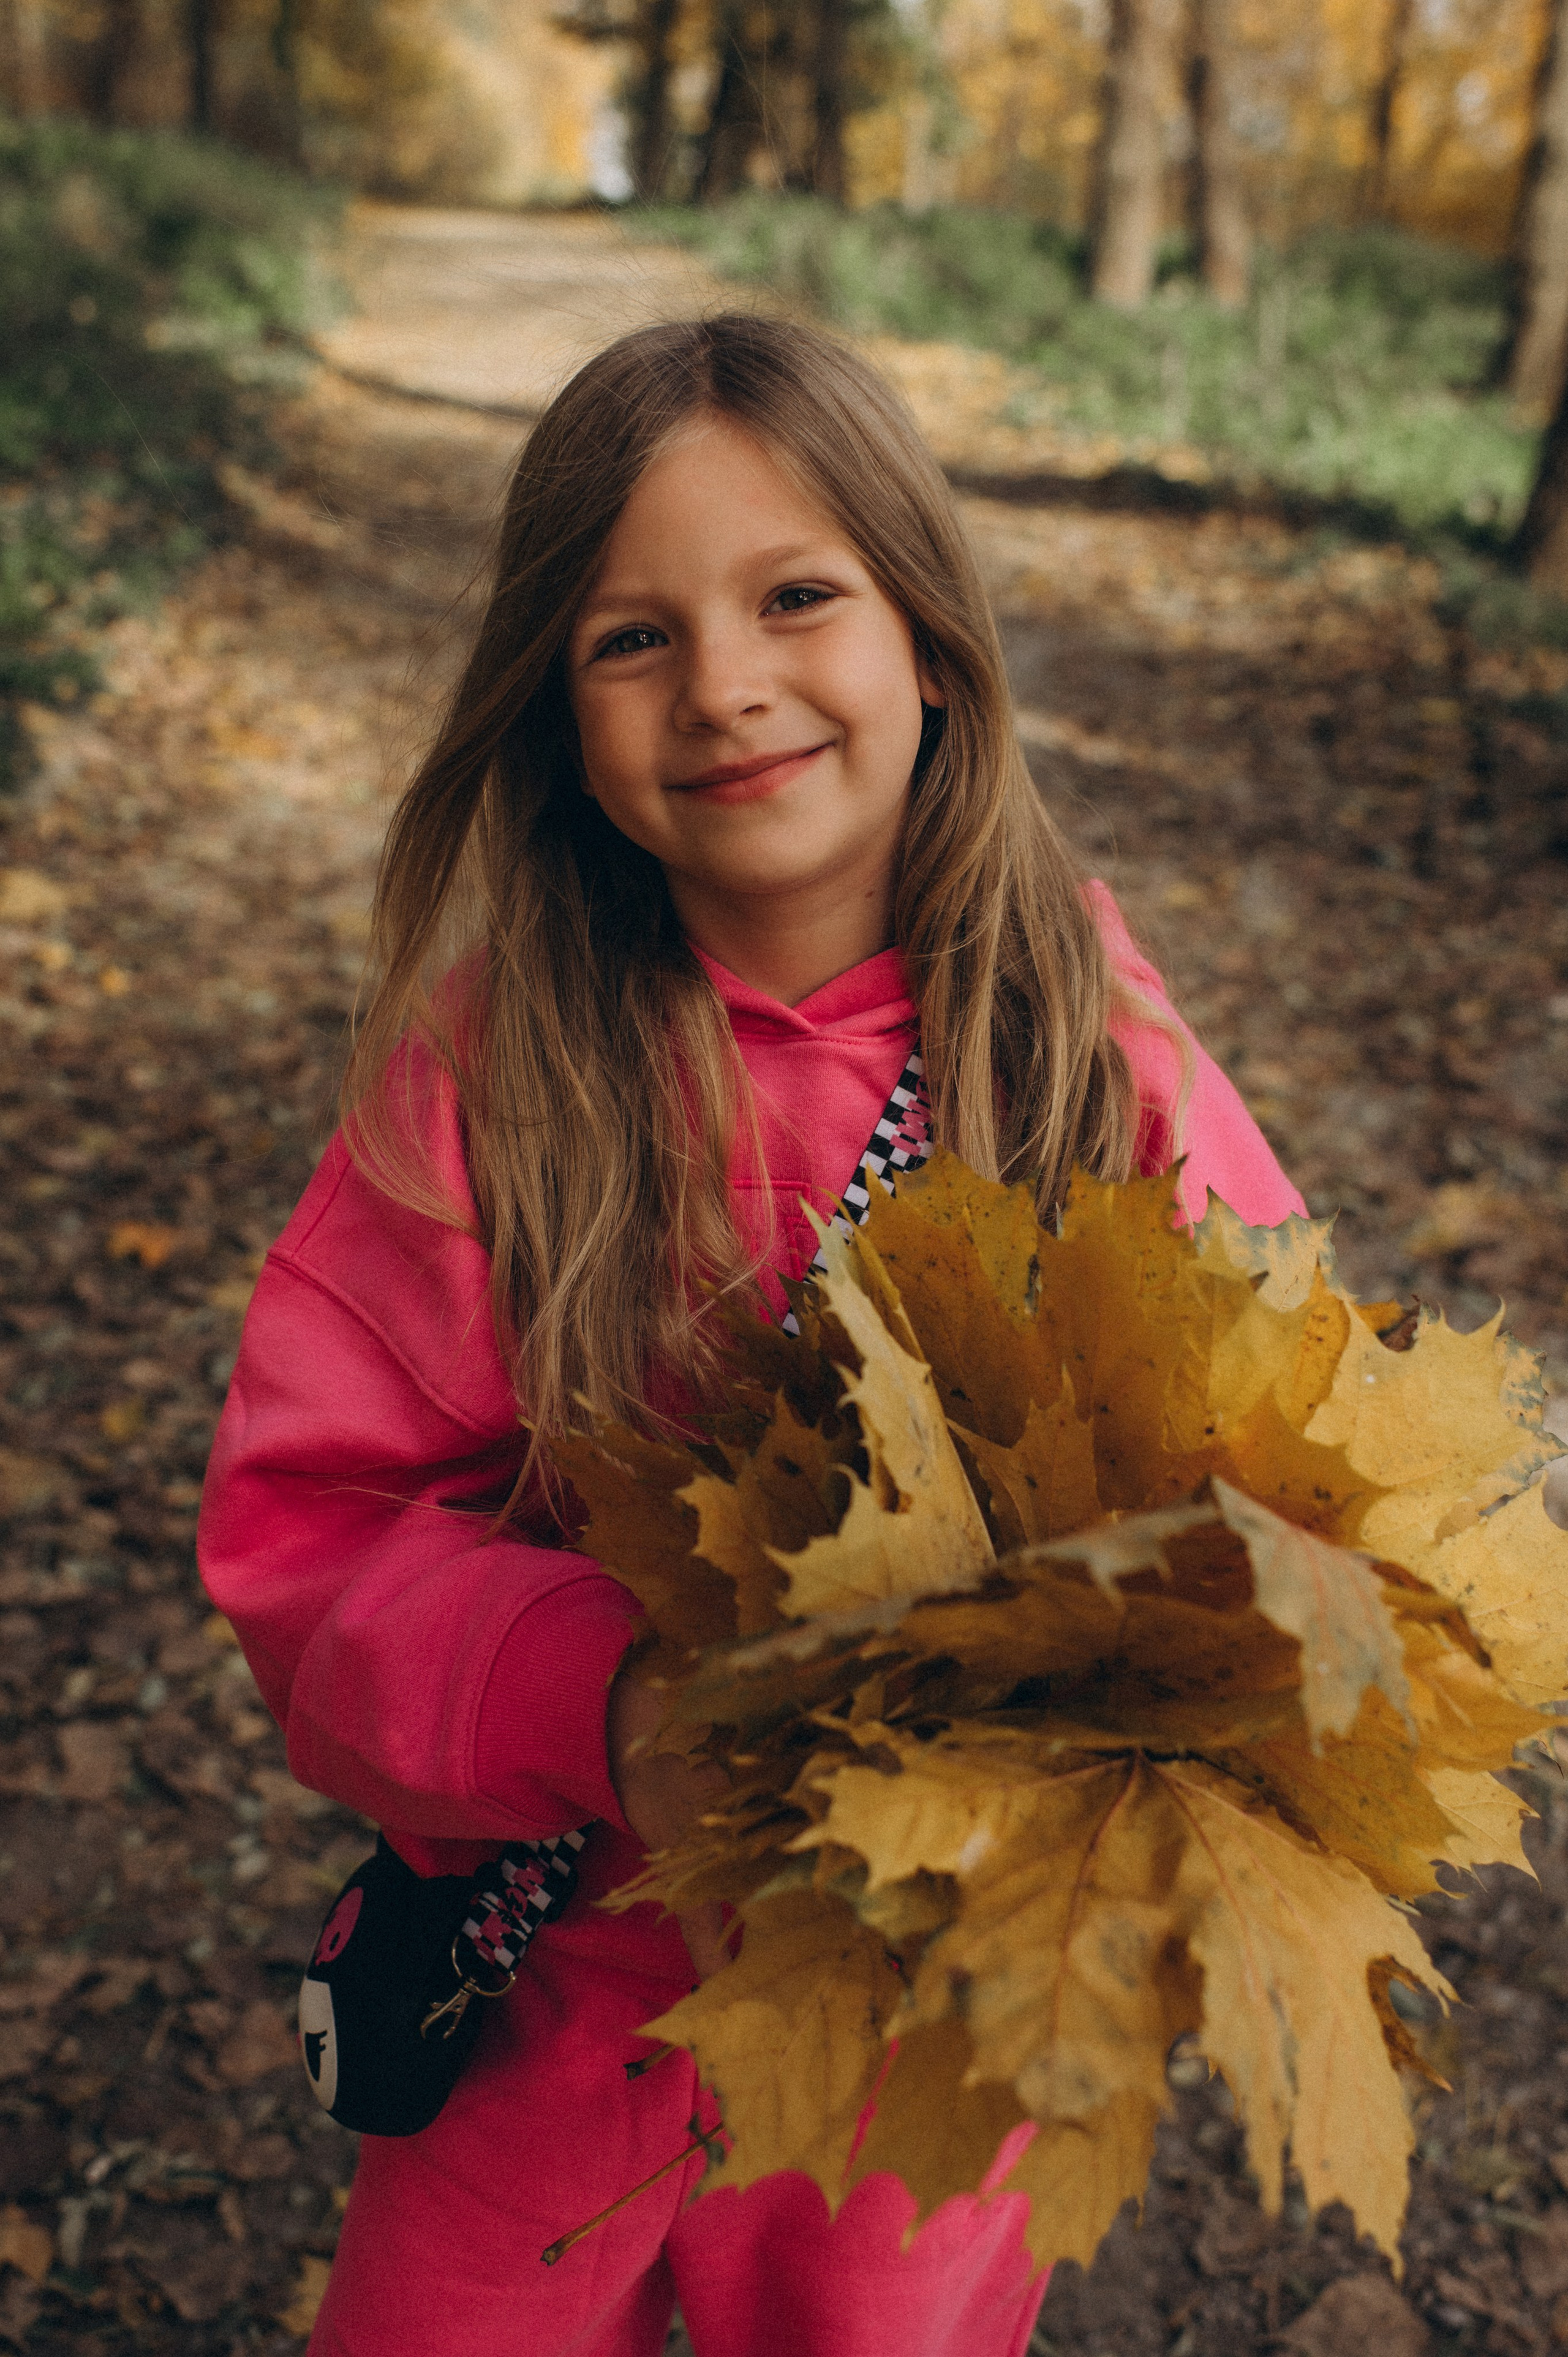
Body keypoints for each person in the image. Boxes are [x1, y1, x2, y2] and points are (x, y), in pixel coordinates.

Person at [197, 314, 1305, 2357]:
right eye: (632, 638)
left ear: (931, 646)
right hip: (559, 1996)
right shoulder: (490, 1080)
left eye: (797, 596)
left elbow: (1272, 1460)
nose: (725, 685)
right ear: (551, 706)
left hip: (923, 2023)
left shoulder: (1094, 1061)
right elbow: (308, 1530)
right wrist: (601, 1706)